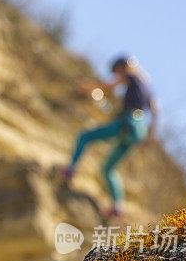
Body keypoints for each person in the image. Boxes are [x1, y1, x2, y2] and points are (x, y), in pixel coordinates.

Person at [63, 55, 158, 217]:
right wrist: (149, 137)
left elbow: (107, 87)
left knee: (84, 137)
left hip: (127, 122)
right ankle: (117, 207)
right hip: (138, 130)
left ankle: (71, 169)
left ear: (124, 67)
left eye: (117, 72)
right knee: (108, 169)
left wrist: (86, 87)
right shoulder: (146, 88)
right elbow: (156, 112)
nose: (117, 76)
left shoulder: (131, 76)